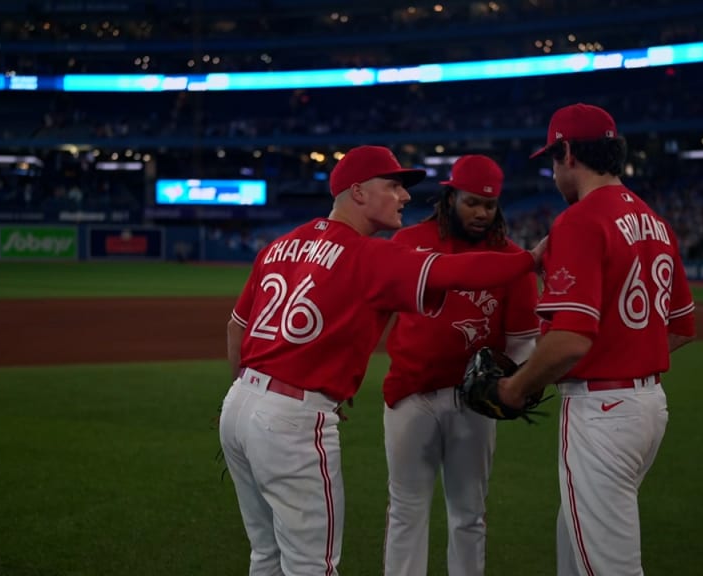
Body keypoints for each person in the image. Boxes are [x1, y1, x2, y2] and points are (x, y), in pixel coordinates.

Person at [219, 145, 546, 576]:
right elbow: (457, 272)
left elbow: (236, 329)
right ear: (358, 192)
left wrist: (261, 396)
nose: (405, 197)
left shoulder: (282, 244)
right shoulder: (368, 255)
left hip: (239, 406)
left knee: (265, 556)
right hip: (290, 418)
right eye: (393, 186)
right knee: (312, 566)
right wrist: (530, 259)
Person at [496, 104, 698, 576]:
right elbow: (681, 328)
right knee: (576, 547)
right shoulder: (655, 221)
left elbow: (569, 341)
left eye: (552, 158)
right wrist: (621, 356)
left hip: (602, 413)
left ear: (567, 152)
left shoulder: (581, 220)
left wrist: (516, 386)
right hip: (648, 407)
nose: (552, 171)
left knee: (608, 567)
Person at [381, 154, 540, 576]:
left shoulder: (513, 261)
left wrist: (514, 383)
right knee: (406, 509)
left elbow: (524, 339)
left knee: (469, 514)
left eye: (489, 206)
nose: (482, 213)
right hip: (409, 394)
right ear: (450, 197)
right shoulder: (408, 243)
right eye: (472, 202)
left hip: (474, 403)